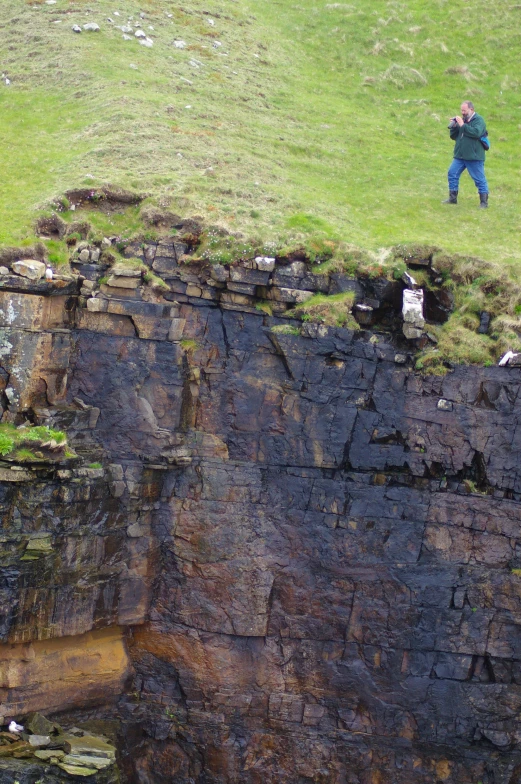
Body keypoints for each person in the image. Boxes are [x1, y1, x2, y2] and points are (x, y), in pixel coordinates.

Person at [443, 100, 488, 208]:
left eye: (464, 110)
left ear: (471, 109)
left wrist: (462, 125)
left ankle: (484, 203)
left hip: (474, 156)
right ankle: (452, 198)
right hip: (460, 155)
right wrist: (454, 127)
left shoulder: (479, 120)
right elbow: (454, 137)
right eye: (461, 110)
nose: (462, 112)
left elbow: (476, 132)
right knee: (452, 173)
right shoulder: (462, 121)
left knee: (479, 179)